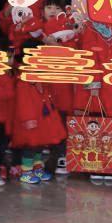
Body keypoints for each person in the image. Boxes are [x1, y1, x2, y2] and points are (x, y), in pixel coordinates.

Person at [11, 40, 67, 185]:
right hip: (31, 120)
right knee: (30, 146)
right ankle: (26, 172)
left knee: (39, 146)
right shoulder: (24, 80)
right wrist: (28, 119)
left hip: (42, 117)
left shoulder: (39, 75)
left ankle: (37, 169)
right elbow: (23, 102)